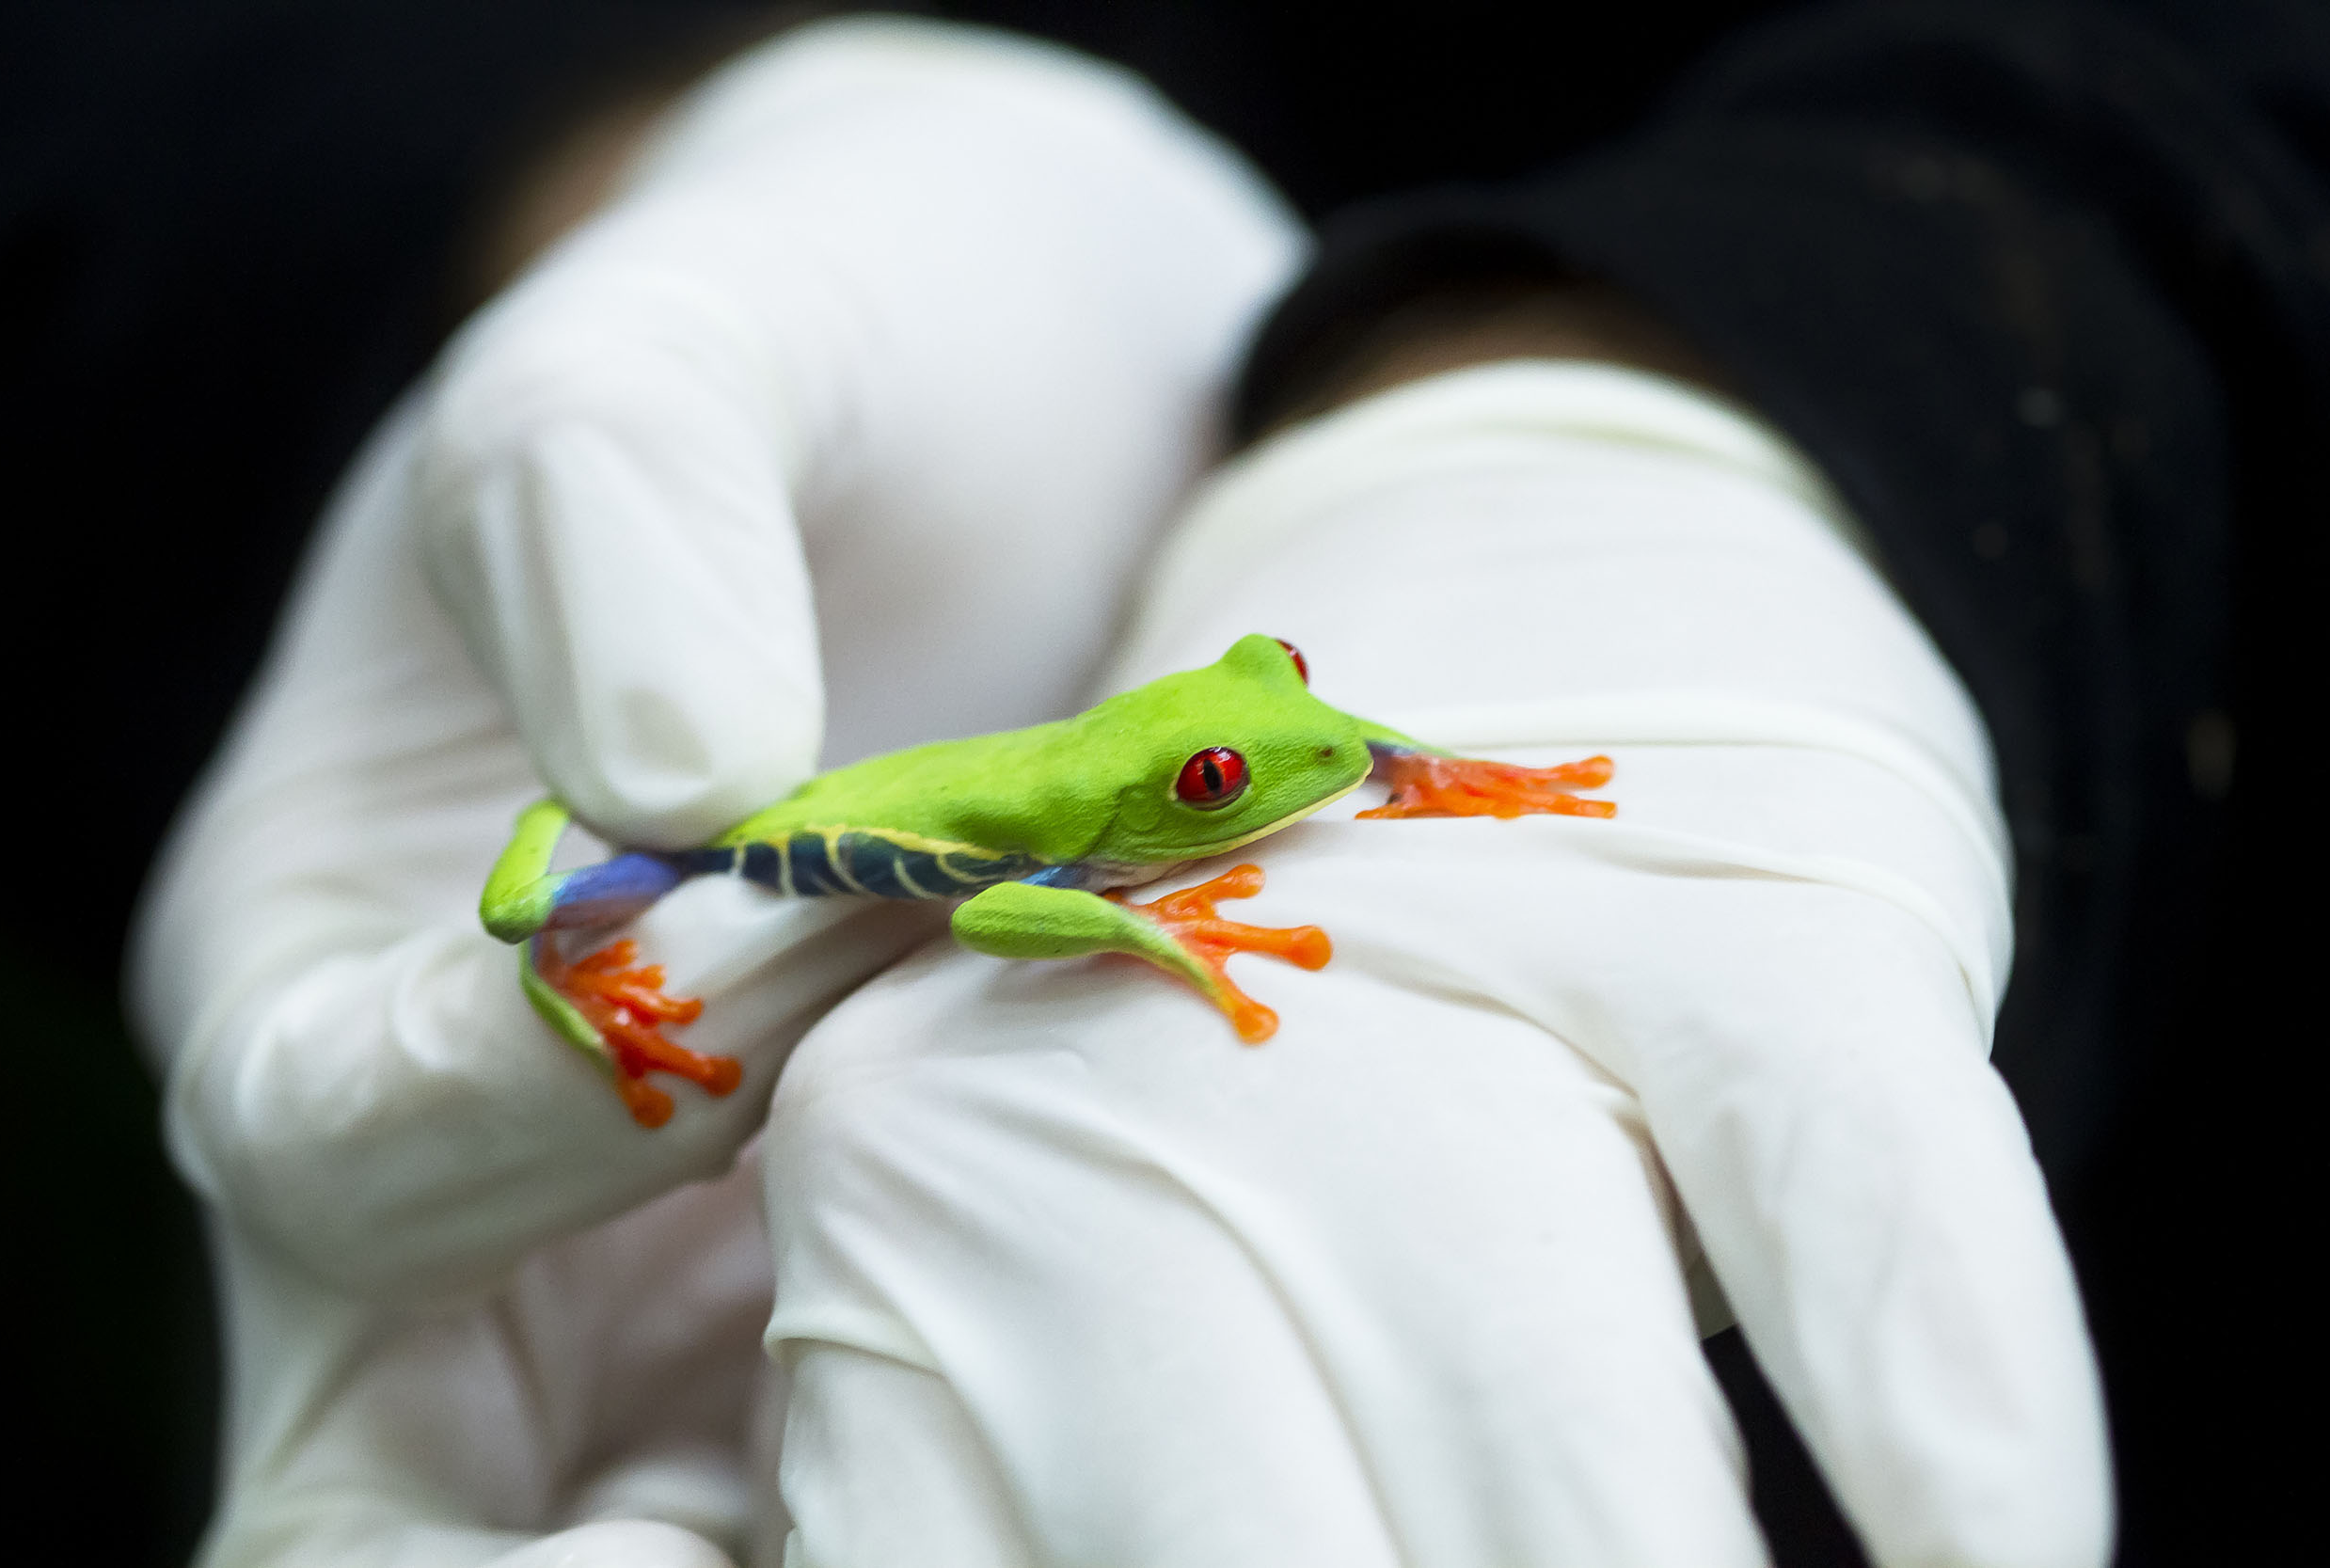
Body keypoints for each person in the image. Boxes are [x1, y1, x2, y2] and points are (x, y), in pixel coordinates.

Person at [115, 1, 2324, 1564]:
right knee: (564, 894)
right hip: (762, 834)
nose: (1257, 766)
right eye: (1210, 773)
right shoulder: (1063, 841)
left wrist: (1728, 388)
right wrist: (612, 160)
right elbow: (980, 909)